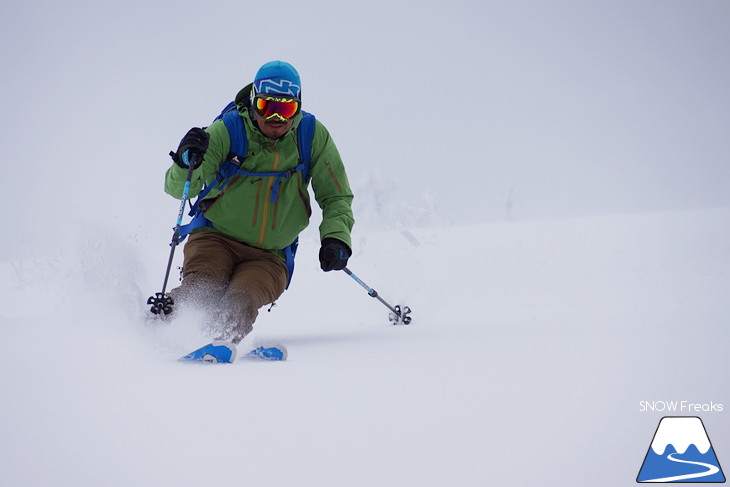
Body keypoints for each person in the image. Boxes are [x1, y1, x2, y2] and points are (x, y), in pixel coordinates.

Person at [163, 60, 354, 345]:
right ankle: (158, 330)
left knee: (241, 300)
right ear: (254, 102)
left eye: (286, 108)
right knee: (201, 292)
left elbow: (336, 195)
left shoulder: (311, 136)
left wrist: (336, 238)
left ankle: (218, 344)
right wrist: (184, 161)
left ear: (298, 107)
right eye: (268, 107)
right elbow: (177, 188)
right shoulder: (226, 131)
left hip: (270, 255)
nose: (276, 118)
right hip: (215, 238)